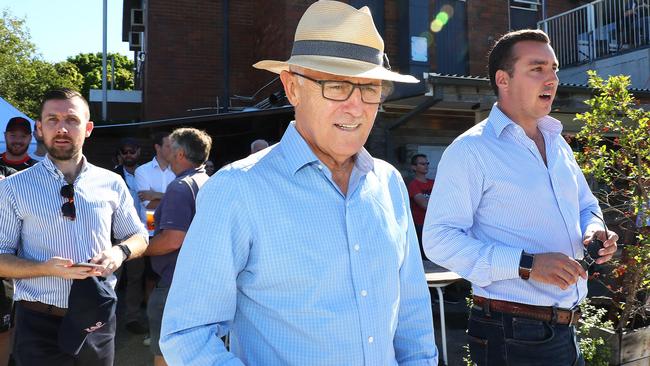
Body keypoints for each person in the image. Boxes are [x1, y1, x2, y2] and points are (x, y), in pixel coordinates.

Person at [160, 1, 438, 365]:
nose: (356, 107)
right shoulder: (238, 190)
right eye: (337, 85)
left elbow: (412, 314)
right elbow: (188, 335)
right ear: (292, 88)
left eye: (370, 88)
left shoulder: (388, 184)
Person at [423, 29, 618, 366]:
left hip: (566, 327)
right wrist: (527, 264)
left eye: (554, 69)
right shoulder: (471, 150)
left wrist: (593, 230)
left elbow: (587, 204)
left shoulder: (557, 142)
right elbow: (439, 240)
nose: (553, 79)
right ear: (504, 79)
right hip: (510, 332)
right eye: (537, 68)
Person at [0, 88, 149, 365]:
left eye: (72, 120)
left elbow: (139, 235)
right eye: (53, 119)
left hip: (97, 321)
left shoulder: (112, 183)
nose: (62, 128)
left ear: (88, 128)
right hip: (39, 323)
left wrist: (119, 253)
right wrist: (44, 268)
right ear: (40, 128)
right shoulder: (12, 187)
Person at [145, 128, 211, 366]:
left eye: (170, 148)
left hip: (176, 284)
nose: (165, 153)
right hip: (201, 282)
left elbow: (173, 239)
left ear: (181, 153)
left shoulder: (180, 186)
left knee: (166, 352)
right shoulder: (206, 180)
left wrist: (139, 248)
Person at [113, 138, 149, 335]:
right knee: (112, 278)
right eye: (125, 152)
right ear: (121, 154)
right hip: (116, 235)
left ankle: (132, 318)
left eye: (132, 151)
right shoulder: (113, 175)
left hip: (138, 234)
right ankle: (106, 318)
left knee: (136, 278)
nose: (128, 155)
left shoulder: (145, 174)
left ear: (138, 152)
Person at [407, 153, 434, 256]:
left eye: (427, 163)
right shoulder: (413, 185)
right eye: (422, 164)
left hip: (434, 223)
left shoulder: (433, 182)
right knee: (424, 256)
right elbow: (424, 204)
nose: (426, 166)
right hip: (420, 225)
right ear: (414, 167)